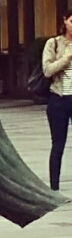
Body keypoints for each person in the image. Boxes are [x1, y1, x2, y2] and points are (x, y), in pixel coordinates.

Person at [43, 11, 72, 191]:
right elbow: (47, 70)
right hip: (59, 100)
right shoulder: (53, 43)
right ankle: (54, 187)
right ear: (65, 21)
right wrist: (66, 58)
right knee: (58, 144)